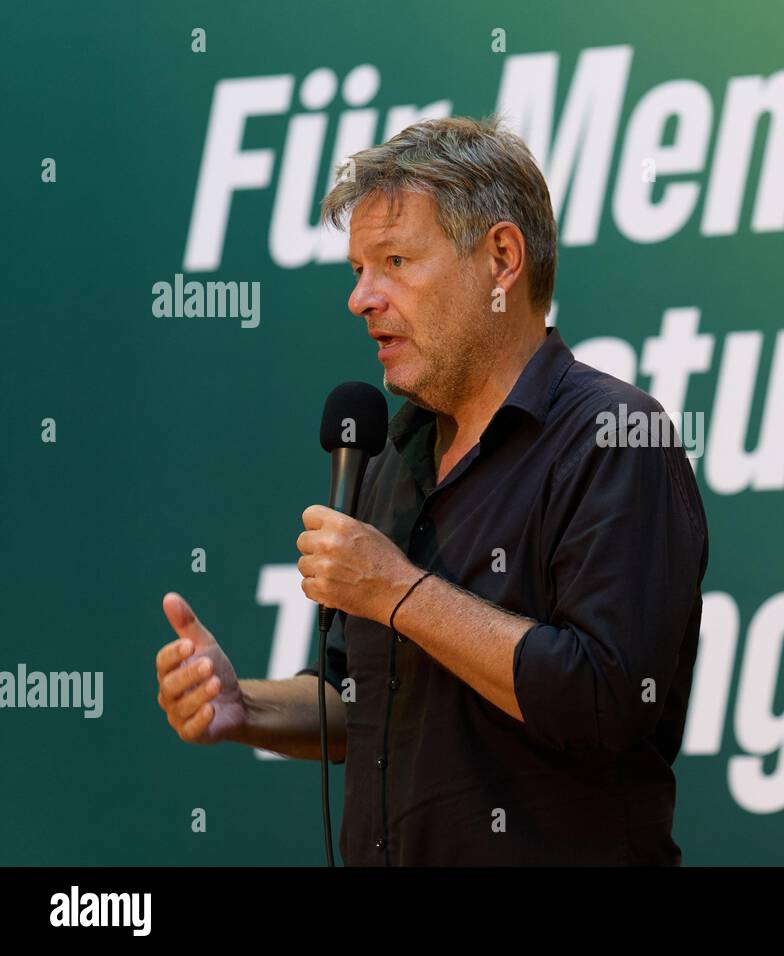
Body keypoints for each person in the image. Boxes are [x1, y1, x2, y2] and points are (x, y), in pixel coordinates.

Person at [154, 114, 709, 865]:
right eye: (357, 270)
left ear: (502, 260)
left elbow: (604, 702)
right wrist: (242, 707)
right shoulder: (396, 455)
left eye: (395, 260)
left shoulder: (613, 437)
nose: (362, 298)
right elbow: (358, 703)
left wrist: (401, 593)